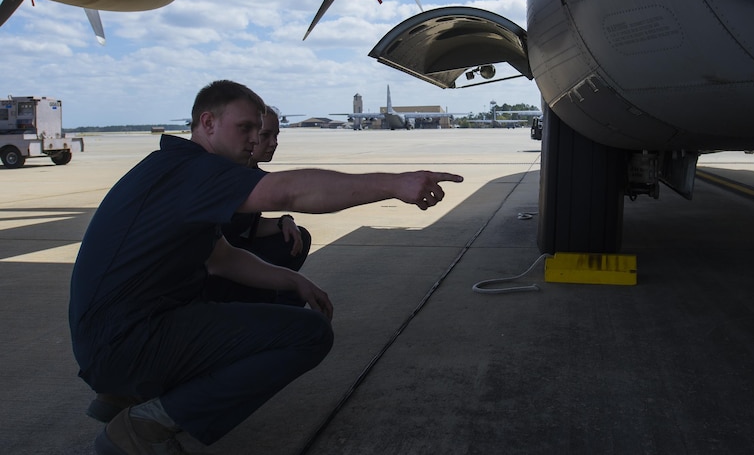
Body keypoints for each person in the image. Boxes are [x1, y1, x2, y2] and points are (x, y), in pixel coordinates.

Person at [68, 80, 463, 454]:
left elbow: (221, 257)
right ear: (207, 123)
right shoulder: (191, 171)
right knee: (307, 335)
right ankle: (144, 425)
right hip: (126, 341)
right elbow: (289, 190)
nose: (255, 140)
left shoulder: (176, 169)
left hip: (119, 336)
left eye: (258, 130)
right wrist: (395, 184)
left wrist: (295, 281)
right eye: (244, 128)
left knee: (282, 302)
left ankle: (134, 391)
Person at [206, 105, 312, 305]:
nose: (274, 143)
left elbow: (247, 225)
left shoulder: (253, 172)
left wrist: (283, 221)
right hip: (215, 262)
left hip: (234, 249)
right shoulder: (224, 175)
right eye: (266, 135)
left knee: (297, 238)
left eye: (277, 136)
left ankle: (283, 310)